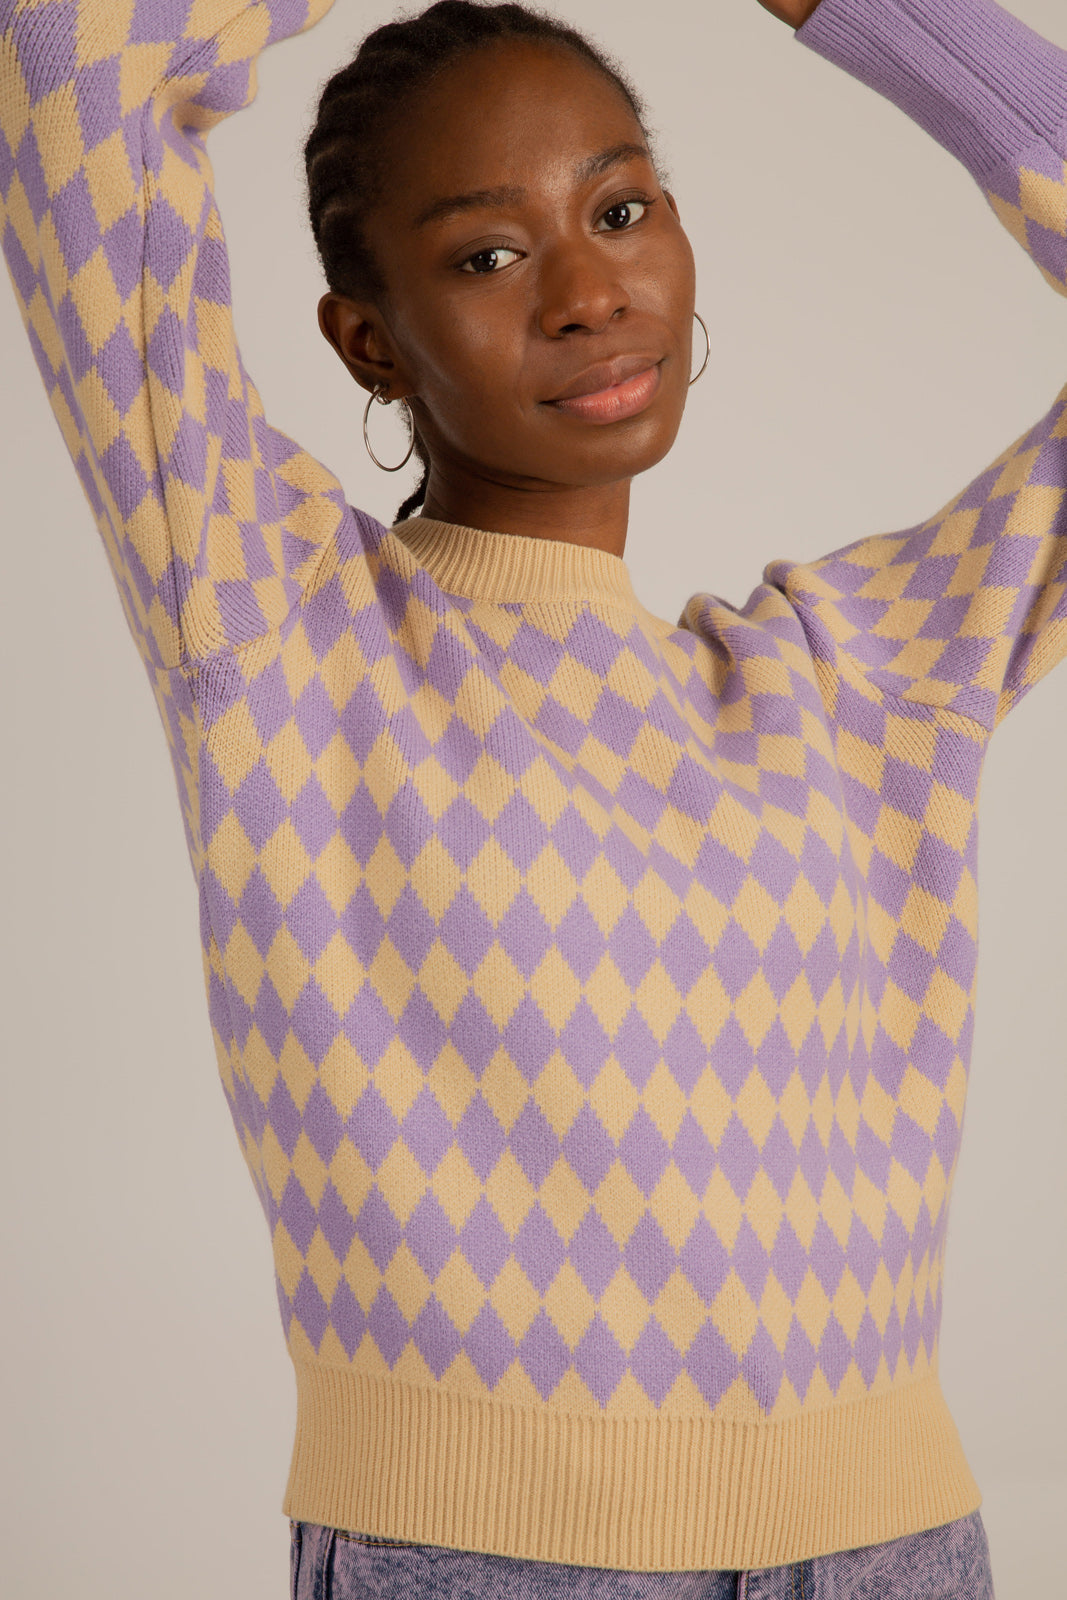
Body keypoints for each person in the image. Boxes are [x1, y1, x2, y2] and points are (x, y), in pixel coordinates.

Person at [0, 0, 1063, 1595]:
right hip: (492, 1555)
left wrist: (871, 12)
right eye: (489, 255)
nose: (589, 293)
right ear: (369, 341)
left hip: (898, 1550)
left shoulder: (859, 679)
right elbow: (60, 54)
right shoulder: (281, 628)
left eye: (622, 211)